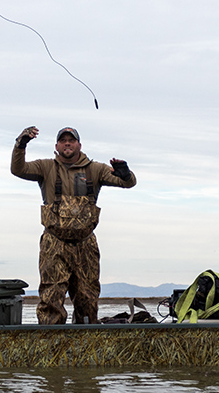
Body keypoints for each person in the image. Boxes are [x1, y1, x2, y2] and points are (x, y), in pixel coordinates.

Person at [11, 126, 136, 324]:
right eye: (63, 140)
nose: (67, 143)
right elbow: (18, 169)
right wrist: (21, 144)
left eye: (71, 140)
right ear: (56, 146)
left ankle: (85, 343)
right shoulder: (45, 167)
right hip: (54, 243)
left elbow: (128, 183)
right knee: (51, 297)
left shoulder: (96, 169)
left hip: (85, 244)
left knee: (87, 298)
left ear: (79, 145)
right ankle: (51, 345)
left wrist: (126, 173)